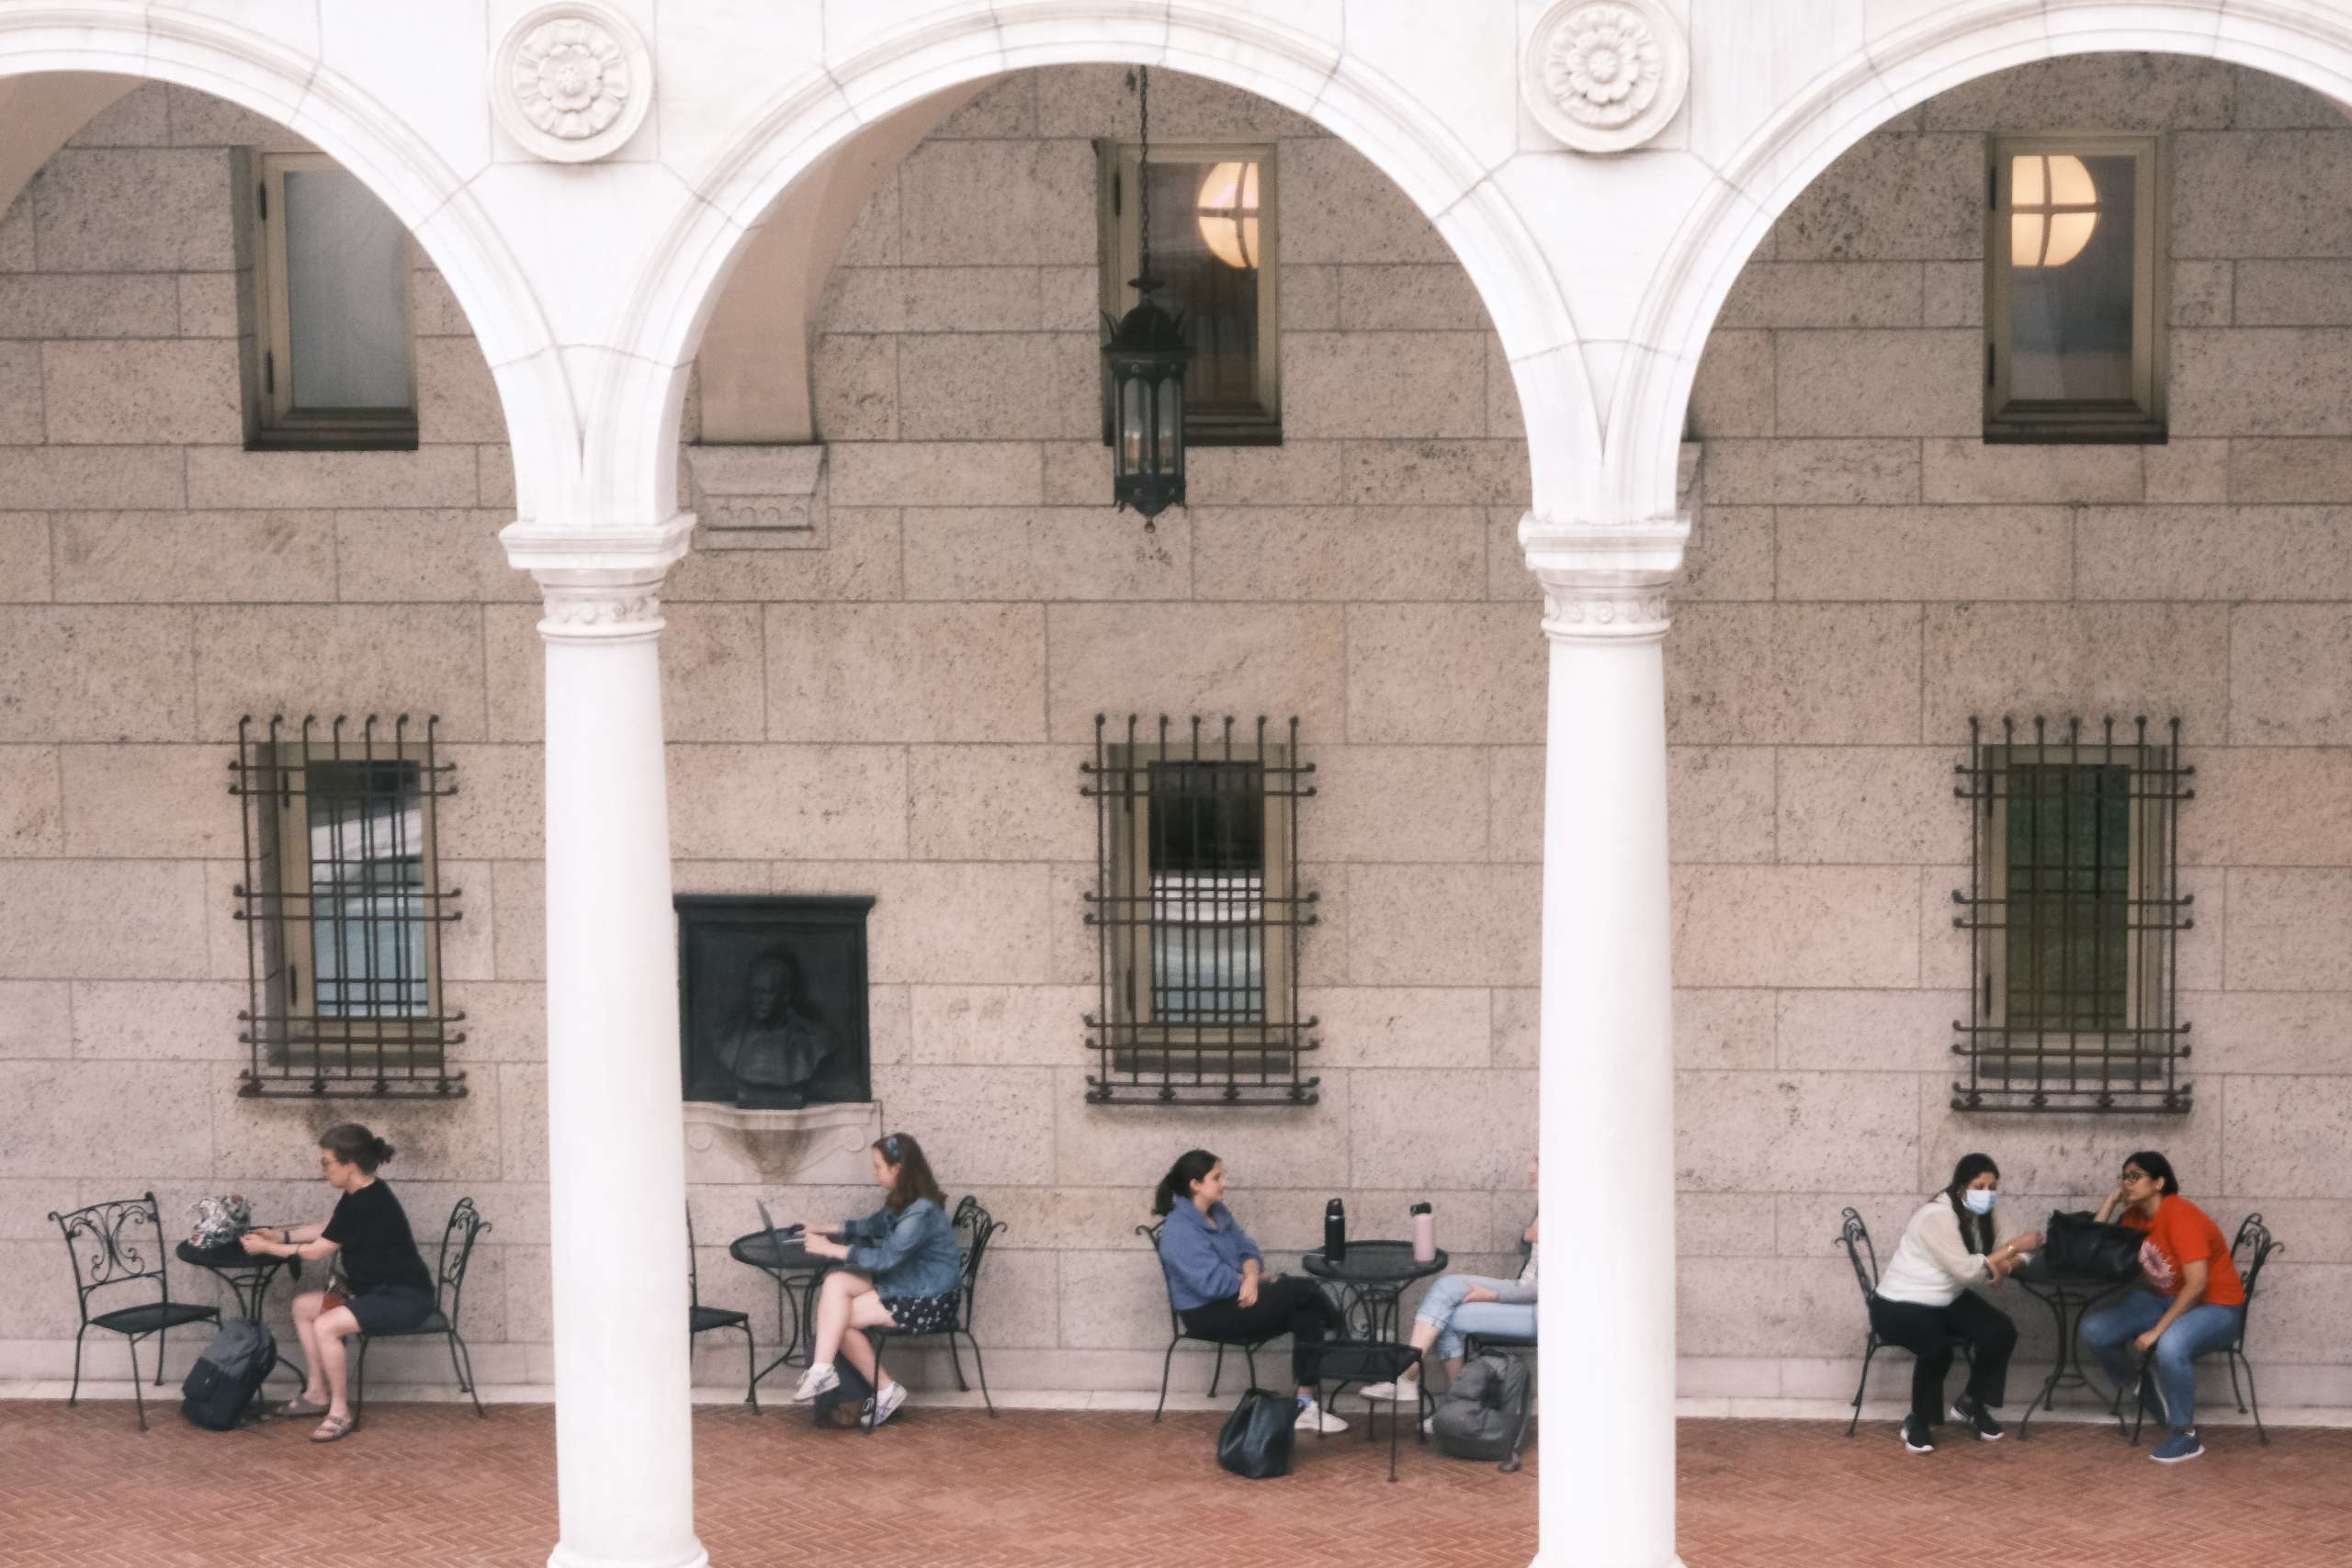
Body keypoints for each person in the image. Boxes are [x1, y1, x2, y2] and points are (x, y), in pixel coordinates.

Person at [237, 1122, 435, 1442]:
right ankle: (317, 1393)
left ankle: (339, 1412)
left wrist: (268, 1248)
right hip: (372, 1292)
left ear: (350, 1165)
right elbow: (328, 1227)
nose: (323, 1170)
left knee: (326, 1325)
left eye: (326, 1162)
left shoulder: (370, 1202)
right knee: (303, 1307)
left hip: (404, 1298)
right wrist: (280, 1235)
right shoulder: (361, 1192)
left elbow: (318, 1251)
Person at [1151, 1149, 1348, 1435]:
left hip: (1240, 1297)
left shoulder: (1218, 1212)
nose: (1224, 1183)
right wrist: (1250, 1279)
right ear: (1195, 1184)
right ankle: (1344, 1336)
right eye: (1216, 1177)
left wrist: (1253, 1277)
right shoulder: (1179, 1231)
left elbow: (1248, 1249)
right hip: (1207, 1313)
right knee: (1301, 1289)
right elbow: (1211, 1283)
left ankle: (1305, 1405)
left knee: (1308, 1311)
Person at [1865, 1154, 2042, 1453]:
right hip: (1899, 1303)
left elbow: (2027, 1251)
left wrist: (2006, 1266)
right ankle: (1917, 1420)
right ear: (1961, 1188)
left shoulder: (1990, 1211)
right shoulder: (1936, 1216)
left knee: (2000, 1331)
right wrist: (2012, 1249)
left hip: (1945, 1298)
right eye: (1979, 1186)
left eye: (1992, 1186)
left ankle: (1972, 1402)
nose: (1987, 1193)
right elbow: (1968, 1270)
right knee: (1937, 1350)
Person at [2078, 1150, 2246, 1463]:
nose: (2127, 1183)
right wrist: (2113, 1201)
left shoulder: (2180, 1216)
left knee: (2170, 1345)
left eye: (2135, 1176)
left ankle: (2186, 1435)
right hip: (2164, 1299)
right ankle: (2141, 1384)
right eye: (2124, 1177)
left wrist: (2157, 1330)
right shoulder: (2136, 1217)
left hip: (2218, 1308)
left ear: (2158, 1182)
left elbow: (2197, 1284)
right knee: (2094, 1330)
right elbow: (2094, 1244)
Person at [786, 1133, 962, 1427]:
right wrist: (822, 1227)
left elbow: (886, 1258)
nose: (874, 1172)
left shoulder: (920, 1212)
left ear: (897, 1169)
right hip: (908, 1282)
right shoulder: (903, 1202)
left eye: (878, 1166)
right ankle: (822, 1370)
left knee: (837, 1321)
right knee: (836, 1282)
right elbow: (870, 1225)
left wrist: (830, 1248)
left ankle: (885, 1388)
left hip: (928, 1298)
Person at [1359, 1156, 1539, 1409]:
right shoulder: (1549, 1204)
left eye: (1538, 1163)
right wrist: (1527, 1235)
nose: (1531, 1169)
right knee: (1447, 1287)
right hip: (1522, 1288)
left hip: (1542, 1309)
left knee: (1448, 1320)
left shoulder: (1572, 1213)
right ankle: (1414, 1379)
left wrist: (1492, 1296)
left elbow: (1551, 1288)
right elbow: (1523, 1246)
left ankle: (1455, 1404)